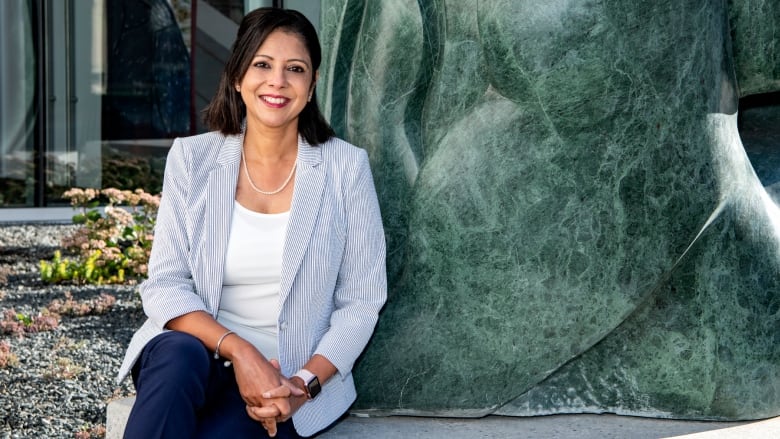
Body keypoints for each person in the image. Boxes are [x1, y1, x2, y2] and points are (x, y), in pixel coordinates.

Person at [116, 7, 387, 438]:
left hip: (285, 380)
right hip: (193, 360)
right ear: (238, 75)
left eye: (294, 69)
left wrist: (302, 386)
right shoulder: (193, 159)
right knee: (179, 354)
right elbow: (166, 284)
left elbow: (360, 303)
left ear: (312, 83)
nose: (277, 81)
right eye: (262, 64)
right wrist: (242, 352)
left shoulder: (345, 168)